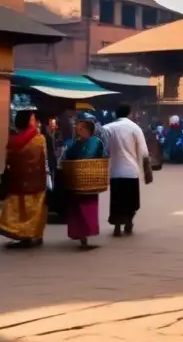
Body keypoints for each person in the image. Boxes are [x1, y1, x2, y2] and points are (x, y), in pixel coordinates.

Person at [0, 109, 49, 249]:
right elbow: (45, 161)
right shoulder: (40, 139)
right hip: (36, 180)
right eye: (32, 119)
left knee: (18, 210)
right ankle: (35, 235)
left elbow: (9, 160)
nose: (35, 122)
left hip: (18, 180)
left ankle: (23, 236)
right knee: (35, 210)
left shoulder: (13, 141)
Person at [100, 104, 151, 237]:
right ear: (129, 113)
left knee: (117, 201)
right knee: (131, 201)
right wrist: (147, 172)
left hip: (115, 172)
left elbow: (101, 148)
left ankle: (117, 227)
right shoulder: (135, 128)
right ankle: (128, 223)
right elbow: (144, 152)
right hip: (131, 172)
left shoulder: (107, 128)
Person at [62, 112, 106, 250]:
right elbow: (67, 157)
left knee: (88, 209)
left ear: (88, 129)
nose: (78, 130)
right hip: (77, 180)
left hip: (90, 179)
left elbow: (99, 156)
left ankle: (86, 234)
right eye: (77, 128)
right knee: (77, 209)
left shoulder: (96, 142)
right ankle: (81, 235)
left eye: (81, 128)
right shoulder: (75, 143)